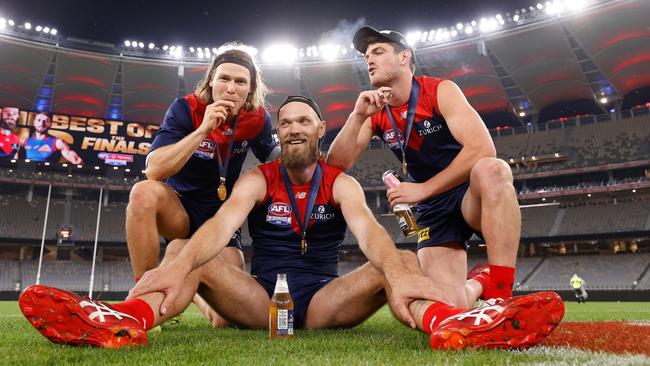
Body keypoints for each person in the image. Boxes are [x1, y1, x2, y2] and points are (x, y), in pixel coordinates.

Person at [19, 96, 563, 350]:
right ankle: (125, 320)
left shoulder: (340, 182)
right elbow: (223, 221)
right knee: (193, 252)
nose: (295, 129)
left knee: (390, 262)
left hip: (325, 301)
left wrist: (401, 270)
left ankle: (449, 325)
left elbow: (371, 235)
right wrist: (180, 259)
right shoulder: (261, 177)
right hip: (261, 301)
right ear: (279, 134)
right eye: (286, 123)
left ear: (321, 128)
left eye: (304, 120)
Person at [327, 27, 540, 329]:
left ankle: (502, 296)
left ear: (404, 57)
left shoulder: (439, 90)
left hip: (468, 194)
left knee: (492, 169)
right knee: (450, 307)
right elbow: (335, 165)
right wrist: (357, 116)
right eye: (366, 56)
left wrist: (423, 189)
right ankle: (481, 281)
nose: (368, 60)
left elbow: (482, 147)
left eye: (377, 52)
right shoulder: (376, 111)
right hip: (433, 211)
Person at [126, 44, 279, 326]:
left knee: (224, 320)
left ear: (250, 89)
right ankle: (144, 295)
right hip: (180, 211)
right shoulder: (186, 108)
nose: (231, 88)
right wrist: (202, 130)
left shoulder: (257, 118)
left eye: (240, 82)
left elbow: (277, 160)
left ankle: (189, 284)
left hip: (220, 221)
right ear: (211, 81)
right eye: (224, 79)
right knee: (143, 193)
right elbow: (154, 170)